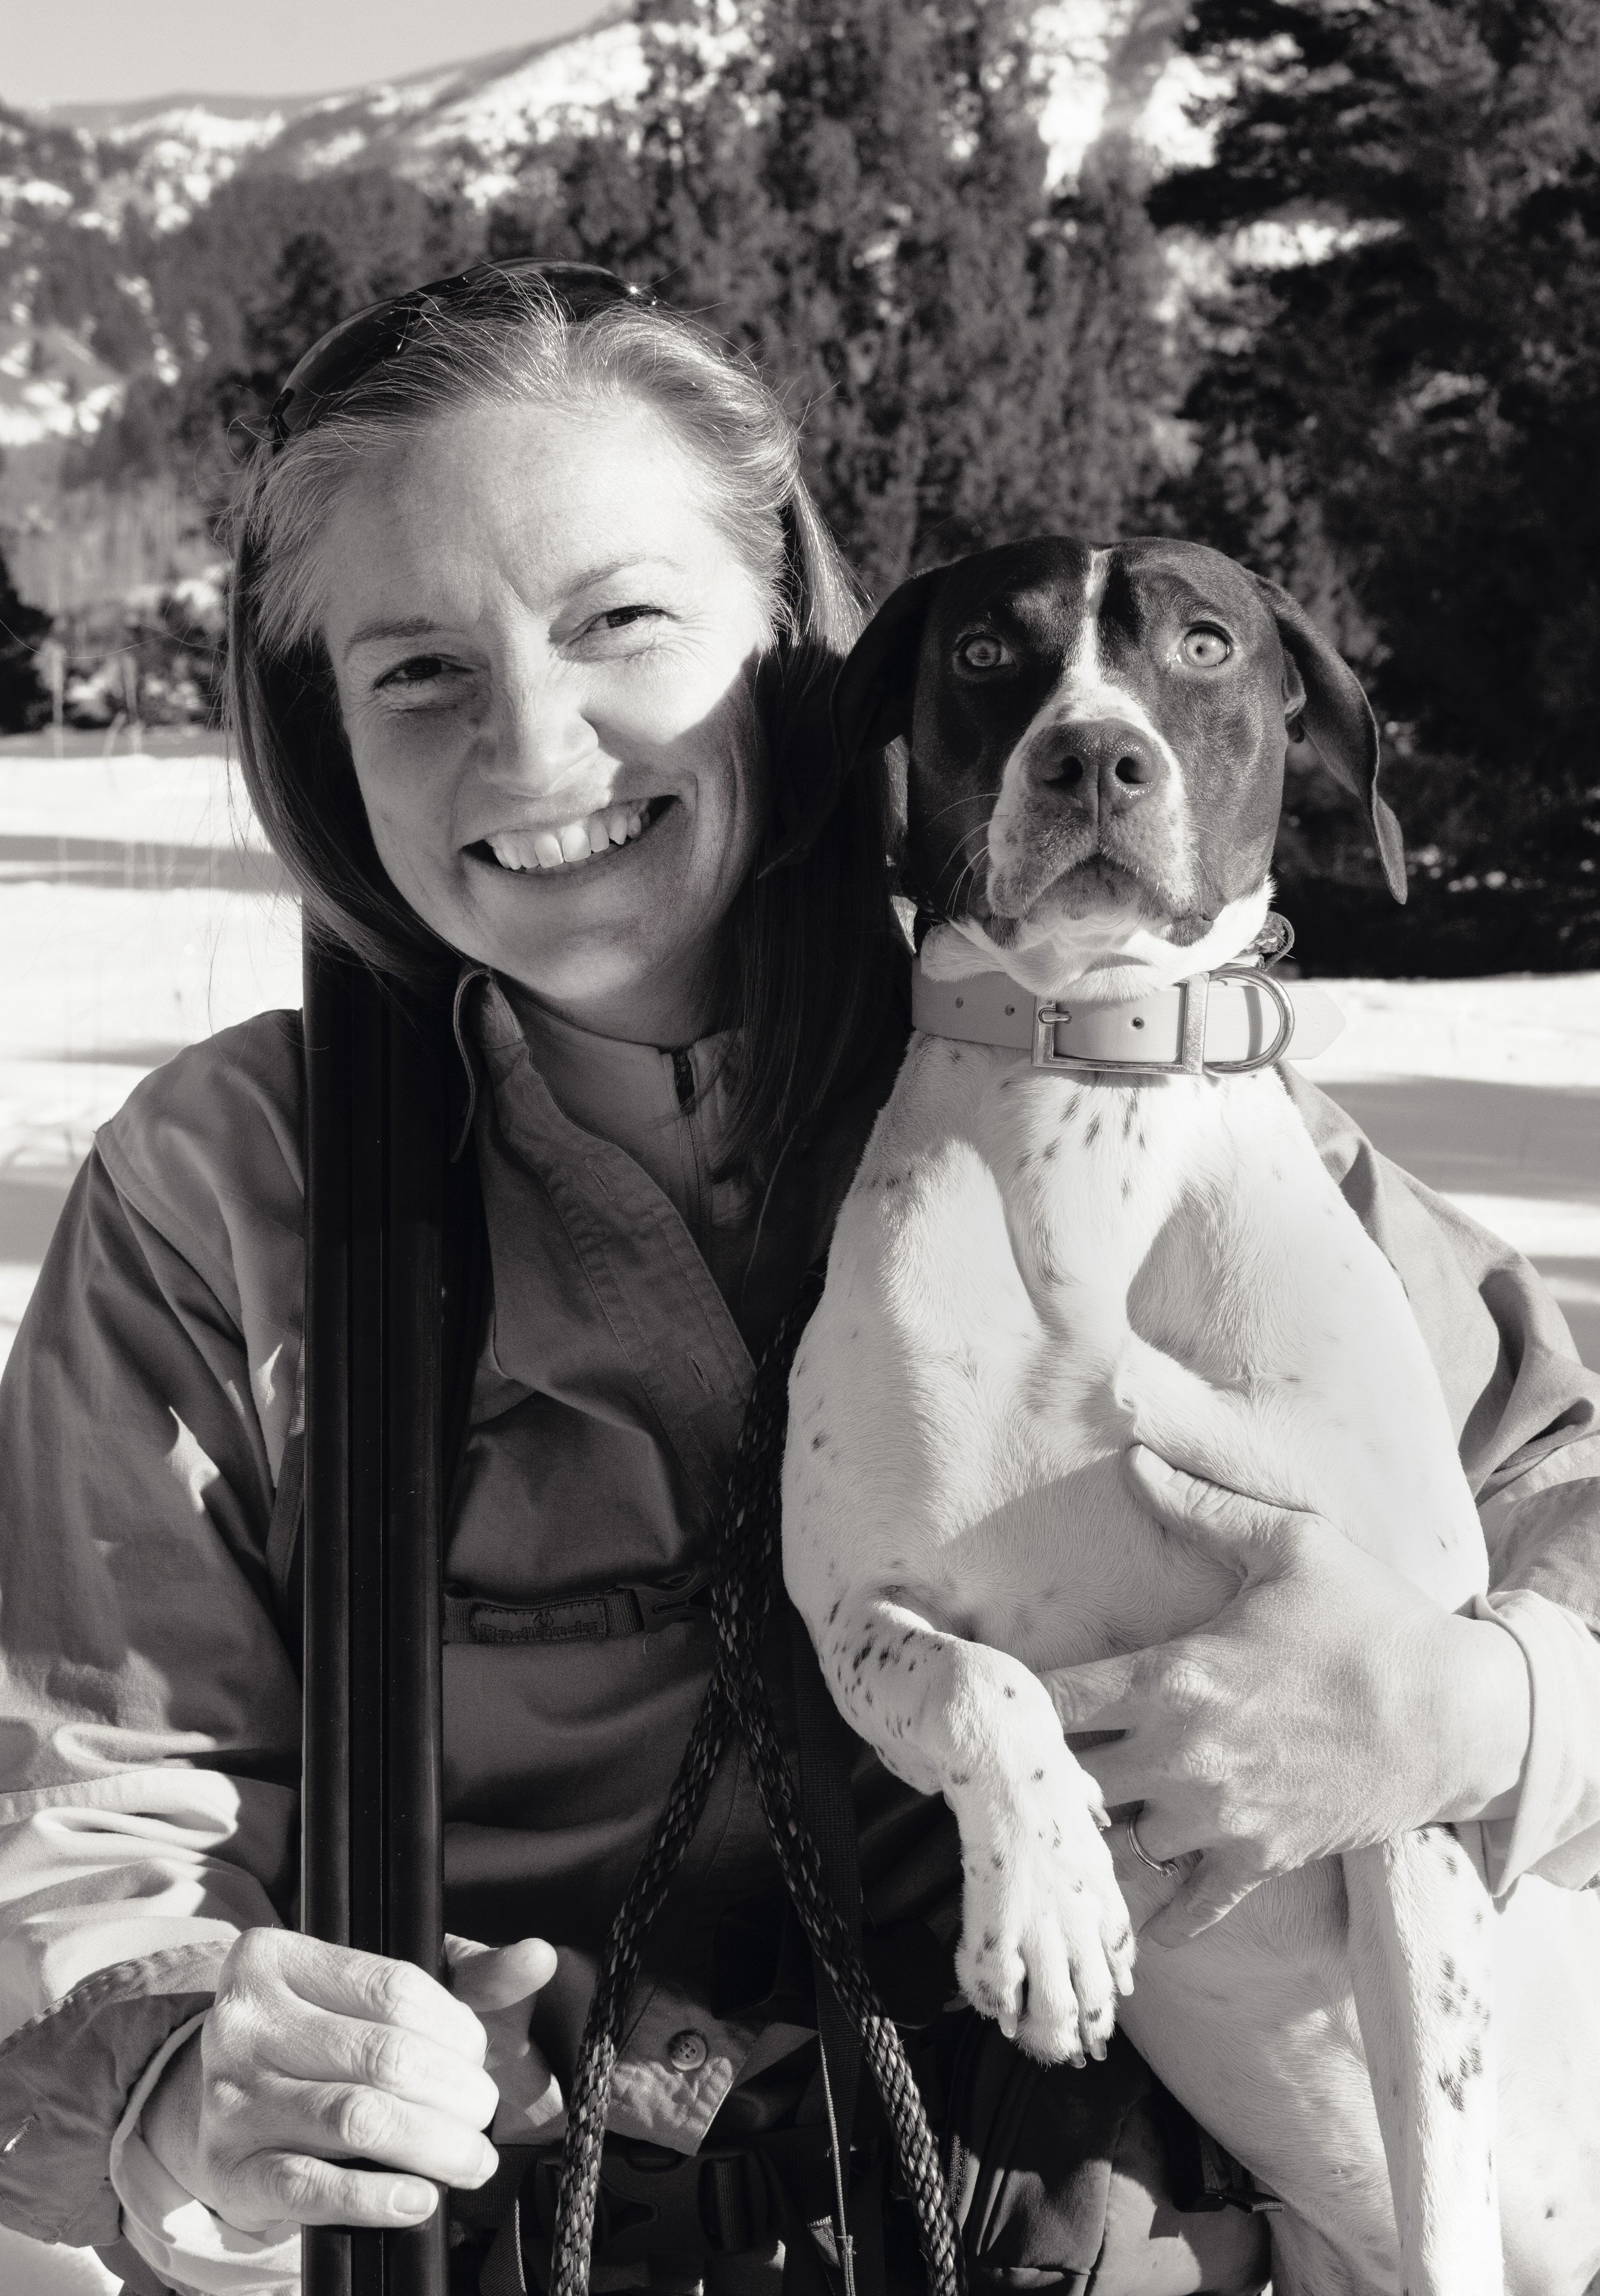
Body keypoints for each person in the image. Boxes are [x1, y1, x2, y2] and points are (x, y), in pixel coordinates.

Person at [0, 262, 1596, 2296]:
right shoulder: (229, 1194)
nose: (535, 746)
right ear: (323, 721)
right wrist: (179, 2085)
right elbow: (75, 1842)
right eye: (418, 670)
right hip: (540, 2232)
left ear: (787, 643)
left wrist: (1476, 1707)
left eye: (616, 623)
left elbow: (1555, 1495)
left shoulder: (1129, 1085)